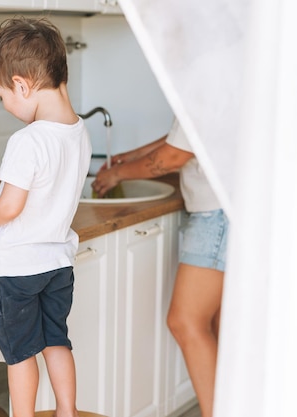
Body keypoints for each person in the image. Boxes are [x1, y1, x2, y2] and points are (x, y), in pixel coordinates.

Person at [0, 17, 92, 417]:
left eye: (2, 95)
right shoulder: (78, 131)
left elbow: (10, 208)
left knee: (21, 354)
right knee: (57, 340)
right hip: (58, 265)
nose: (6, 104)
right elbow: (43, 191)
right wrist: (2, 196)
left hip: (20, 269)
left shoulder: (28, 139)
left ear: (22, 85)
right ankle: (66, 411)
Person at [91, 119, 228, 417]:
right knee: (216, 324)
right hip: (227, 208)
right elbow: (187, 136)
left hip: (216, 214)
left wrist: (117, 173)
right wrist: (133, 156)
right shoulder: (220, 78)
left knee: (185, 321)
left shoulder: (205, 78)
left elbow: (174, 156)